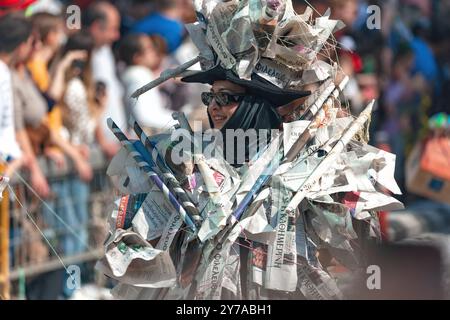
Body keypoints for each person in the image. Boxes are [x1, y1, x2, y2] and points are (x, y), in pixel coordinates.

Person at [83, 1, 123, 157]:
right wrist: (102, 141)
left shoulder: (105, 51)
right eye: (113, 29)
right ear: (96, 27)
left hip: (116, 142)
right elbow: (88, 100)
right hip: (98, 149)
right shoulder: (83, 54)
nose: (117, 36)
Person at [119, 33, 175, 133]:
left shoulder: (138, 74)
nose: (154, 52)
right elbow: (144, 117)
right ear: (137, 57)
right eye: (149, 48)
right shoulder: (138, 75)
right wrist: (181, 120)